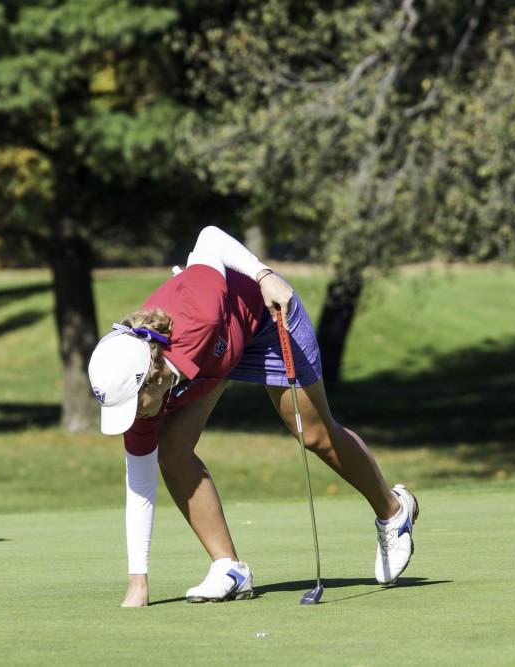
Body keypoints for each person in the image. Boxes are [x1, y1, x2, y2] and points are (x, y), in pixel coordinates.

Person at [87, 226, 418, 607]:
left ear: (153, 376)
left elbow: (209, 238)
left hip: (265, 317)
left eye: (133, 405)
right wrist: (138, 583)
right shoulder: (143, 392)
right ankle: (229, 567)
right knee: (173, 450)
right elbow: (139, 483)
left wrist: (264, 275)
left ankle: (394, 513)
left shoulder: (199, 312)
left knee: (314, 435)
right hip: (221, 351)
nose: (132, 417)